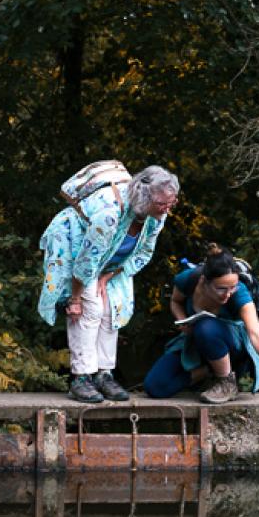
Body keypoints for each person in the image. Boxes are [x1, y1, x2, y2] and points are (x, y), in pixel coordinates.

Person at [38, 165, 179, 403]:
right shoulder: (110, 213)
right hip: (76, 247)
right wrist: (74, 299)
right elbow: (86, 261)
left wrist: (107, 276)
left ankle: (104, 374)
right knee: (90, 309)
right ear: (145, 198)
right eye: (162, 204)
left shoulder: (156, 217)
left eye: (171, 203)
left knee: (112, 308)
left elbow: (143, 252)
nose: (167, 209)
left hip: (111, 264)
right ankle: (81, 378)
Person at [144, 244, 259, 404]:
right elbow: (175, 301)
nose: (227, 294)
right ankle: (208, 371)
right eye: (221, 288)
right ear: (204, 281)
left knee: (205, 326)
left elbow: (256, 333)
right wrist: (182, 319)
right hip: (196, 341)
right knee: (155, 386)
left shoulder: (240, 293)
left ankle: (226, 382)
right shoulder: (188, 279)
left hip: (232, 345)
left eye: (232, 287)